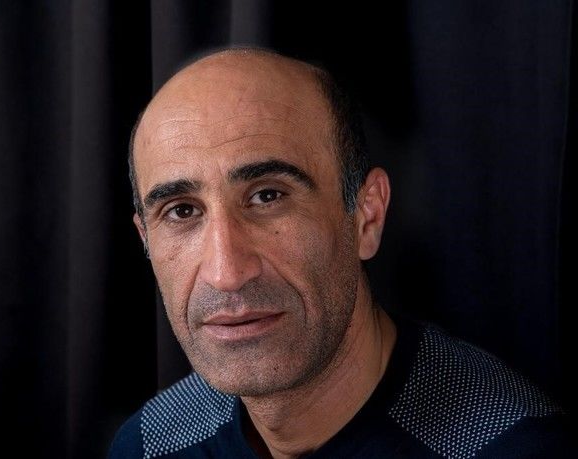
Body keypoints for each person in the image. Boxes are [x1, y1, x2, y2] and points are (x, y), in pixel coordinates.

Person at [108, 48, 570, 458]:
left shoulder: (514, 447)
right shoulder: (150, 443)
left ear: (367, 216)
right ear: (145, 239)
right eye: (182, 211)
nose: (226, 272)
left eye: (268, 196)